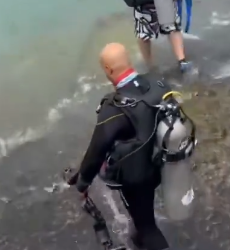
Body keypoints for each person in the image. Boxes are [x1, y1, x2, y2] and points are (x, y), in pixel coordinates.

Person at [68, 43, 170, 250]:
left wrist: (82, 182)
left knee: (147, 227)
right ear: (130, 62)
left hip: (137, 176)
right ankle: (140, 239)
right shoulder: (158, 83)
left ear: (108, 70)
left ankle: (147, 239)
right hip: (159, 163)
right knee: (143, 218)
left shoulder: (114, 108)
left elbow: (97, 150)